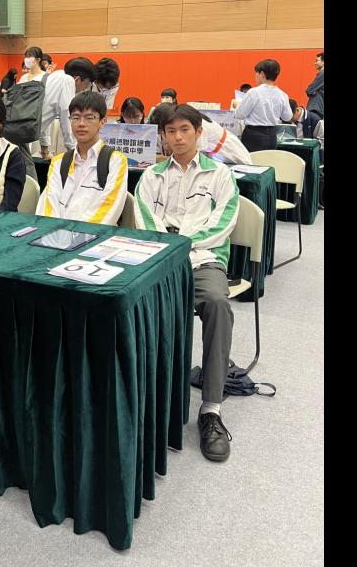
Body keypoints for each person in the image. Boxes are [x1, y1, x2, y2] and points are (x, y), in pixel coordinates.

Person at [131, 103, 240, 462]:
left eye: (184, 130)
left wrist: (183, 243)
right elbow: (145, 219)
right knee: (126, 299)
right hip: (159, 260)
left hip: (202, 260)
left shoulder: (220, 175)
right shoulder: (151, 176)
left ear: (198, 132)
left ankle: (211, 410)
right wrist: (169, 248)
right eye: (170, 131)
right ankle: (146, 398)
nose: (177, 137)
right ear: (162, 136)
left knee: (217, 303)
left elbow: (224, 222)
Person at [36, 92, 127, 225]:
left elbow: (109, 208)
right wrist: (55, 232)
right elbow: (48, 206)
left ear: (102, 122)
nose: (81, 124)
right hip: (56, 233)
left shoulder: (115, 161)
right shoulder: (59, 162)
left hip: (94, 233)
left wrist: (74, 233)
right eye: (76, 117)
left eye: (89, 118)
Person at [233, 59, 292, 152]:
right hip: (272, 135)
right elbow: (287, 117)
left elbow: (240, 115)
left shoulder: (253, 92)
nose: (255, 76)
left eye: (256, 73)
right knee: (268, 160)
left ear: (262, 74)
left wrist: (237, 106)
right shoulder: (282, 95)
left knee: (252, 160)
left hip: (253, 135)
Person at [306, 52, 324, 118]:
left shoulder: (322, 73)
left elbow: (309, 90)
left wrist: (313, 91)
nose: (315, 63)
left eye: (317, 61)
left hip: (316, 108)